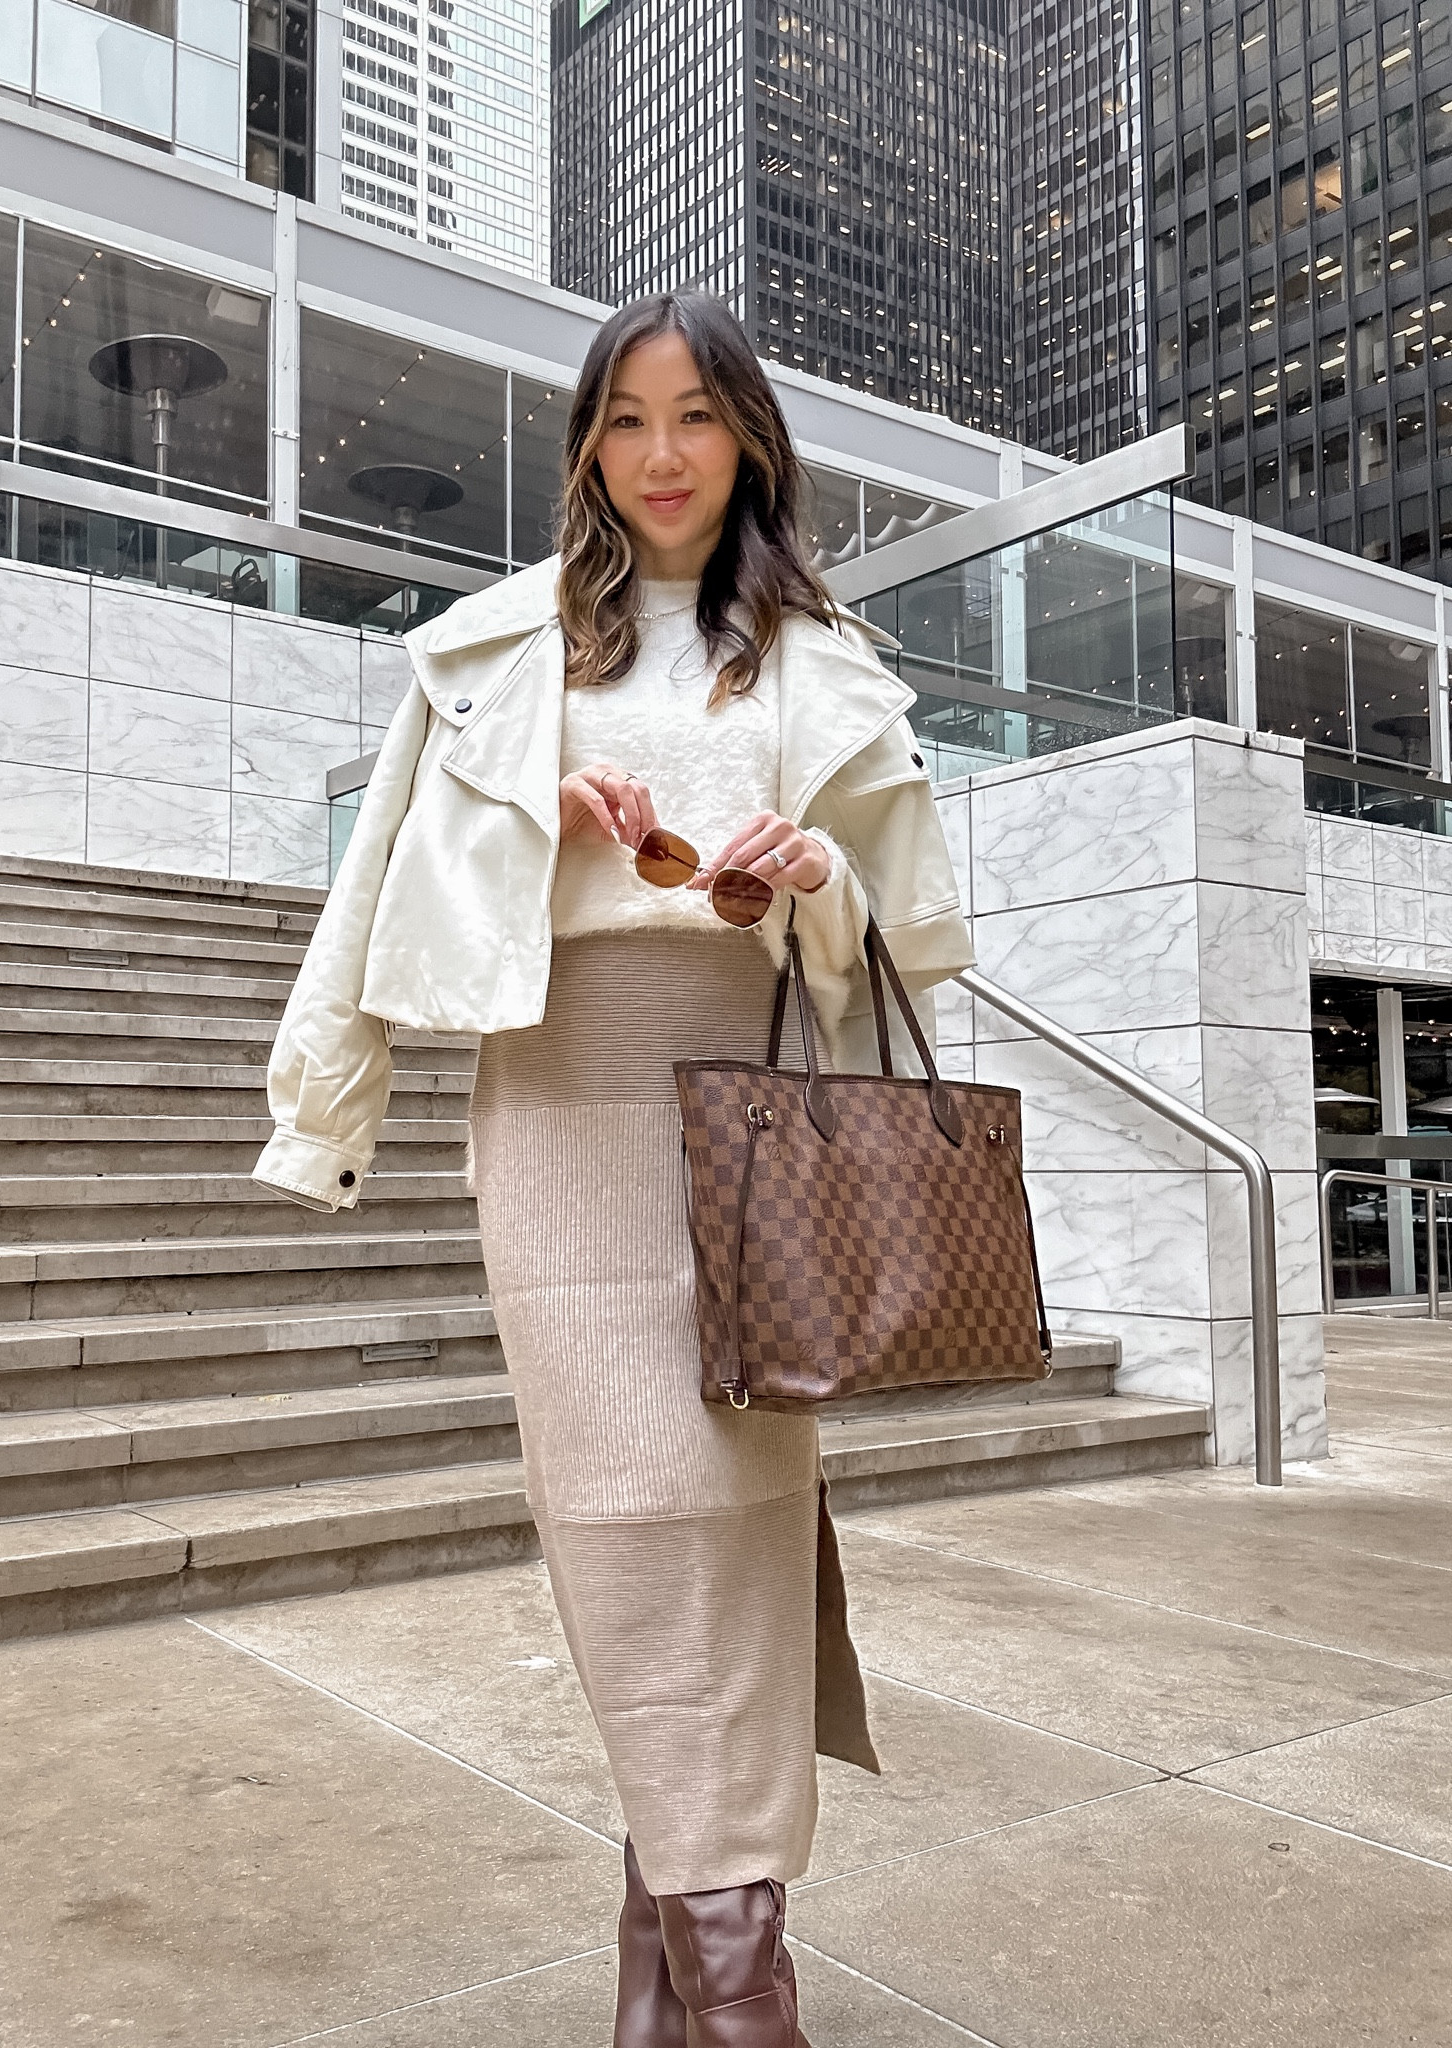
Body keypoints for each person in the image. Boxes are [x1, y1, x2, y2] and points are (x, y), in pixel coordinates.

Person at [253, 291, 972, 2047]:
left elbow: (913, 934)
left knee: (730, 1515)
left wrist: (802, 877)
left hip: (753, 1106)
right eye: (629, 419)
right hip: (562, 1100)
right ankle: (745, 1983)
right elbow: (382, 895)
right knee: (631, 1513)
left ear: (750, 442)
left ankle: (684, 1960)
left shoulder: (825, 656)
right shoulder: (496, 651)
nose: (663, 457)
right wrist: (323, 1104)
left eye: (699, 419)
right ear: (587, 440)